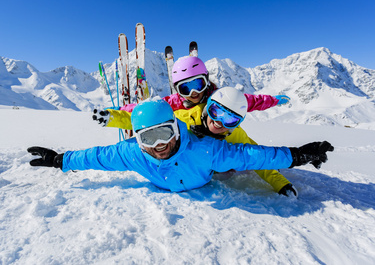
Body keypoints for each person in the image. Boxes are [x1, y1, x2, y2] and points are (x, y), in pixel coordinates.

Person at [28, 99, 334, 193]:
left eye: (165, 133)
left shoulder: (202, 148)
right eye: (149, 138)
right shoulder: (131, 153)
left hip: (208, 173)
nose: (160, 145)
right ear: (137, 140)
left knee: (230, 164)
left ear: (177, 128)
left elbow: (252, 155)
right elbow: (96, 157)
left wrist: (298, 155)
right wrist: (60, 160)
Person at [94, 88, 297, 196]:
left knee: (230, 167)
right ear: (208, 107)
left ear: (238, 123)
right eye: (216, 112)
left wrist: (281, 183)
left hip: (213, 169)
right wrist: (113, 118)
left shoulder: (236, 136)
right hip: (189, 166)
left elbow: (257, 159)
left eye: (230, 120)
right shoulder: (183, 117)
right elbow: (149, 122)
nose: (219, 123)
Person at [118, 56, 290, 112]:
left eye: (198, 84)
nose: (193, 92)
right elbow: (149, 108)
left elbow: (250, 101)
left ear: (207, 81)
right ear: (178, 91)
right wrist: (121, 110)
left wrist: (273, 100)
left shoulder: (220, 98)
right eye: (185, 88)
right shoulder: (175, 102)